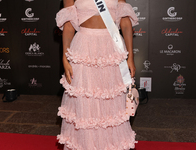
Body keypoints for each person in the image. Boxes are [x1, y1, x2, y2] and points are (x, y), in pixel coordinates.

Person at [56, 0, 139, 149]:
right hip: (83, 49)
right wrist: (65, 56)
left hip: (111, 49)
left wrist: (130, 56)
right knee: (84, 103)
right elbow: (69, 26)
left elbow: (125, 22)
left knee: (111, 105)